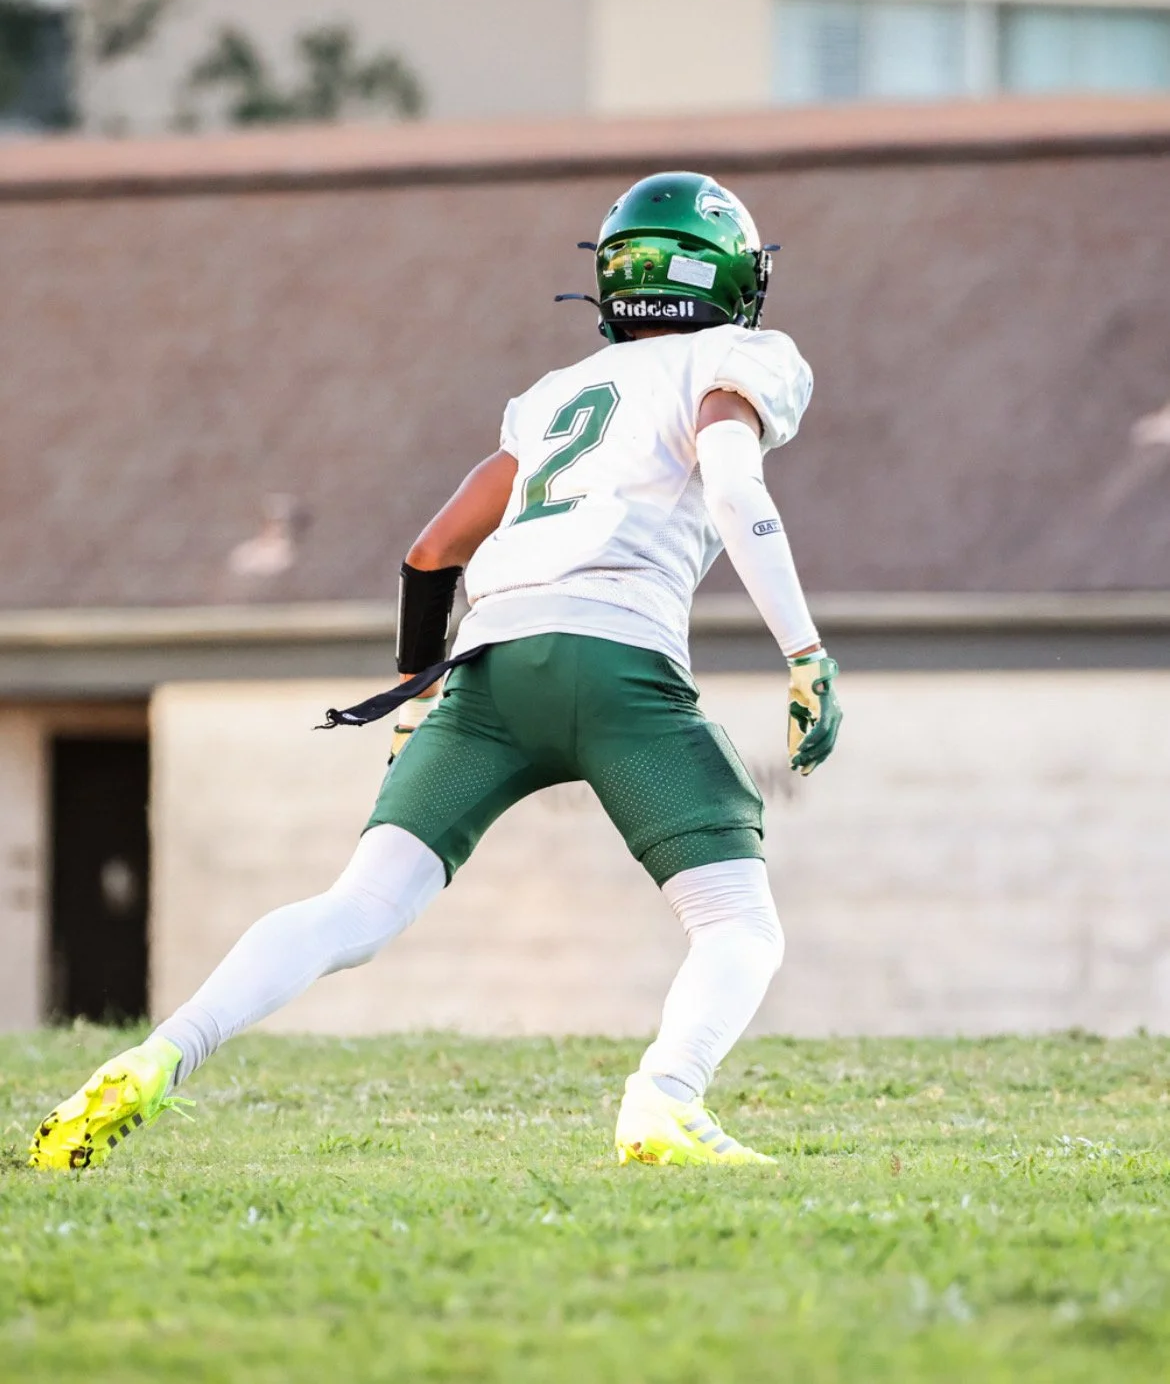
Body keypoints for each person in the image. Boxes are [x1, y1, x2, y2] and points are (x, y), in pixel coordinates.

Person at [30, 171, 842, 1172]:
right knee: (736, 921)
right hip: (615, 660)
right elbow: (731, 483)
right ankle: (665, 1098)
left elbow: (431, 552)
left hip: (489, 666)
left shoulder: (555, 396)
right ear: (726, 275)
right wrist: (803, 651)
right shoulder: (739, 359)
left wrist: (420, 697)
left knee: (357, 908)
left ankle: (159, 1055)